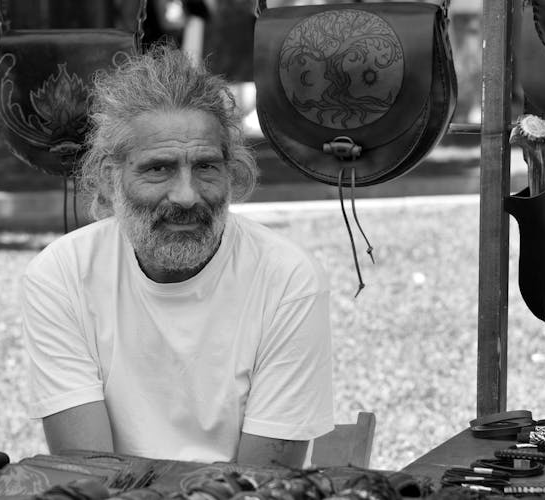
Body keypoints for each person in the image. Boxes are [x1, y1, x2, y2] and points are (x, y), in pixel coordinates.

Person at [19, 45, 333, 467]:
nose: (186, 196)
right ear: (112, 180)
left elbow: (260, 484)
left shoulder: (287, 280)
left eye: (206, 167)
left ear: (231, 172)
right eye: (158, 168)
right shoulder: (61, 275)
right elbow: (88, 472)